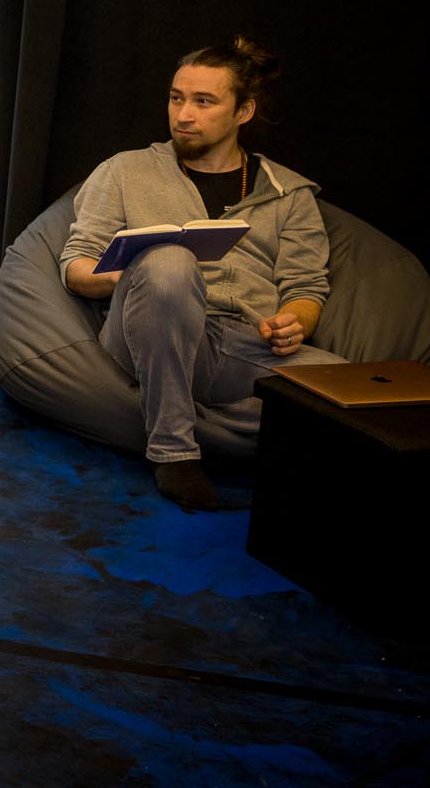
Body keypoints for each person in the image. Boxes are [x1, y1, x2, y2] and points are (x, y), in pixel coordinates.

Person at [61, 37, 340, 511]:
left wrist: (294, 321)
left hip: (239, 347)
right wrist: (129, 277)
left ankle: (188, 413)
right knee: (168, 260)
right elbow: (75, 264)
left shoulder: (288, 193)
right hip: (144, 332)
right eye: (176, 98)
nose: (184, 115)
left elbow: (306, 286)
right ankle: (174, 451)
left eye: (203, 102)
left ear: (243, 111)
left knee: (362, 401)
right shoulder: (125, 170)